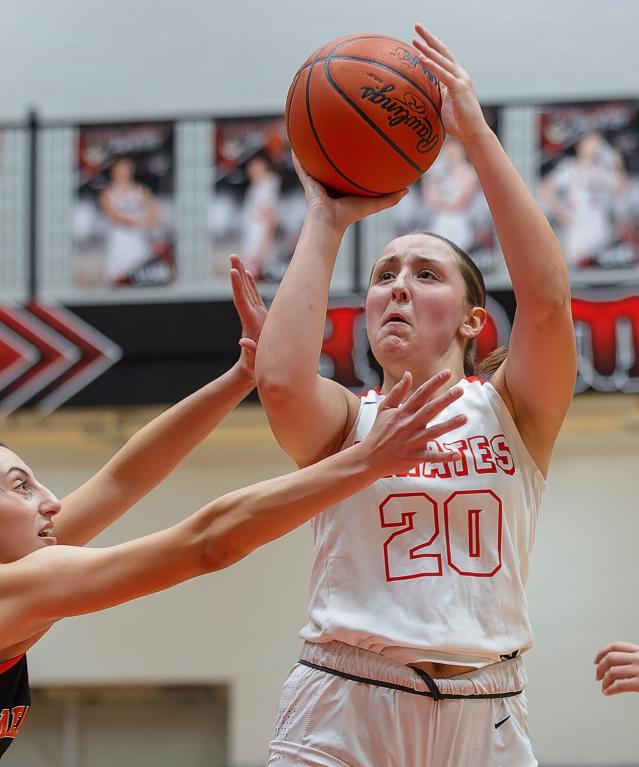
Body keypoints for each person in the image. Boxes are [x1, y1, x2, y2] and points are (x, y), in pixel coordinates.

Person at [0, 256, 466, 767]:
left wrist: (242, 377)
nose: (51, 501)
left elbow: (123, 476)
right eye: (21, 486)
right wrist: (361, 462)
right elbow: (207, 541)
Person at [256, 25, 577, 767]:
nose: (396, 284)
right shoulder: (346, 418)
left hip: (485, 709)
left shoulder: (513, 409)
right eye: (383, 275)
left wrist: (474, 132)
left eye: (424, 274)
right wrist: (328, 216)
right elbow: (277, 381)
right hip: (341, 700)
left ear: (472, 319)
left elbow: (547, 303)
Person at [540, 129, 629, 269]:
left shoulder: (603, 170)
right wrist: (561, 214)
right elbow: (546, 188)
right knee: (577, 272)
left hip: (602, 232)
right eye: (590, 142)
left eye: (597, 143)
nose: (594, 147)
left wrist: (617, 163)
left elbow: (621, 190)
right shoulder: (570, 168)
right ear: (580, 146)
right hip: (578, 233)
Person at [98, 156, 164, 284]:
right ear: (114, 170)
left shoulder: (141, 190)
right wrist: (140, 222)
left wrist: (149, 223)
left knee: (141, 278)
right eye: (120, 168)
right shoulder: (107, 193)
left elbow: (155, 213)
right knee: (118, 278)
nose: (123, 172)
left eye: (126, 168)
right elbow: (116, 218)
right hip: (119, 243)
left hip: (141, 243)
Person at [240, 153, 281, 278]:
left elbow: (271, 222)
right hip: (254, 249)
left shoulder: (266, 188)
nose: (249, 170)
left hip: (261, 253)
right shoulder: (257, 188)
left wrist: (259, 254)